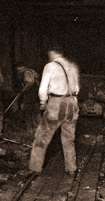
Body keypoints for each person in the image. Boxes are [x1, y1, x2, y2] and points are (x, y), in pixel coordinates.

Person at [29, 45, 80, 177]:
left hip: (57, 104)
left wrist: (43, 102)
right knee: (69, 139)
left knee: (42, 136)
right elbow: (77, 88)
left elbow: (42, 89)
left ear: (53, 53)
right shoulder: (72, 66)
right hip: (73, 103)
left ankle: (35, 168)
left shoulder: (50, 66)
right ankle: (72, 168)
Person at [14, 62, 40, 132]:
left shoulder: (27, 72)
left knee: (28, 111)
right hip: (36, 94)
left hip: (31, 94)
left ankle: (30, 129)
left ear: (23, 67)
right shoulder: (32, 71)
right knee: (35, 112)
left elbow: (29, 82)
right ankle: (37, 129)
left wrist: (22, 91)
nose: (19, 71)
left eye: (19, 69)